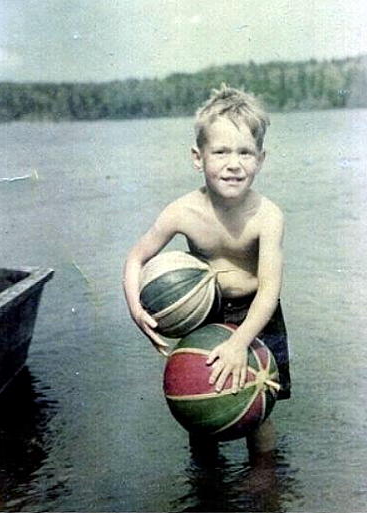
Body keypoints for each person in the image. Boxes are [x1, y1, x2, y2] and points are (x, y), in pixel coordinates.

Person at [123, 84, 291, 460]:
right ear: (198, 158)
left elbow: (268, 289)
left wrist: (238, 342)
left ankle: (265, 484)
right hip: (203, 314)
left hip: (256, 314)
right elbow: (136, 259)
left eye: (245, 152)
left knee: (256, 405)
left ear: (261, 159)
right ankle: (206, 487)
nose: (234, 163)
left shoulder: (268, 216)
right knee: (199, 404)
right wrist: (137, 309)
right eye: (221, 152)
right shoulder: (182, 211)